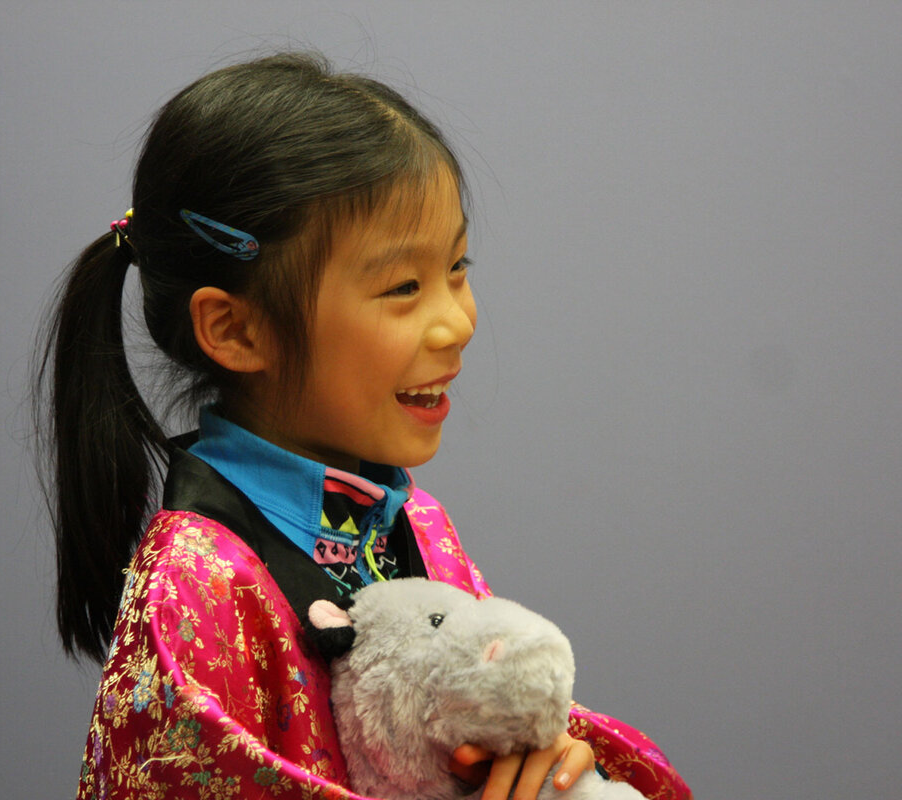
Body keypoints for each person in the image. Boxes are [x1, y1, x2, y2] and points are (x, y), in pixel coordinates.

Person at [36, 52, 690, 800]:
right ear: (236, 329)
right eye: (404, 286)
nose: (458, 322)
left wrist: (539, 759)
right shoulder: (197, 583)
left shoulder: (418, 524)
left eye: (457, 267)